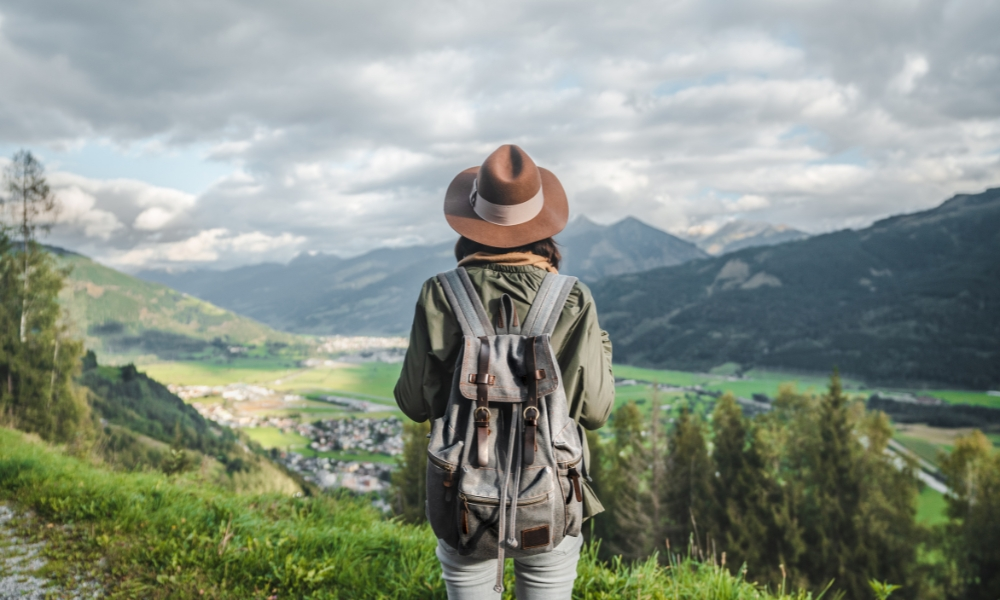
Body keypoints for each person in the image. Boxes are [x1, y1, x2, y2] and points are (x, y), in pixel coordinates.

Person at [394, 144, 615, 599]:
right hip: (550, 490)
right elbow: (595, 410)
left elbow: (413, 403)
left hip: (463, 494)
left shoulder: (439, 294)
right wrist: (601, 349)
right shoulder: (571, 298)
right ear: (542, 224)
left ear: (470, 223)